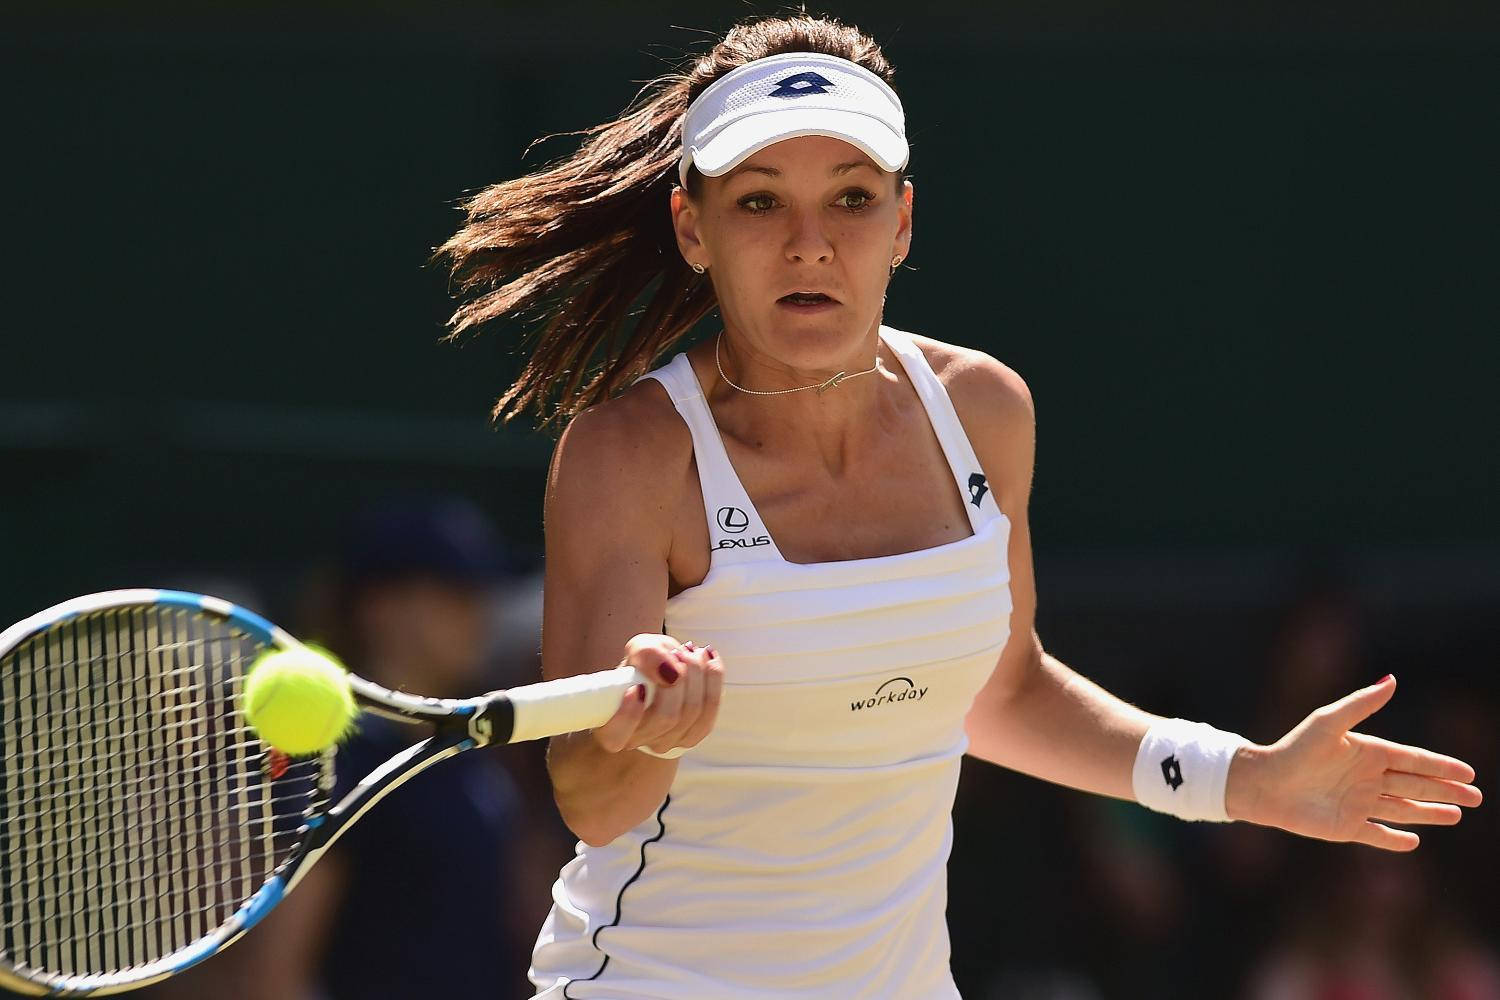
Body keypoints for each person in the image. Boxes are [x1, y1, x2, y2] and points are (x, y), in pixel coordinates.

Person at [434, 15, 1483, 999]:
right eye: (759, 201)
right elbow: (590, 798)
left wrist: (1238, 780)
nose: (809, 242)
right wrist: (653, 735)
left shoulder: (985, 411)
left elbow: (1004, 690)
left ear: (902, 221)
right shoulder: (628, 454)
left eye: (850, 197)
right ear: (692, 226)